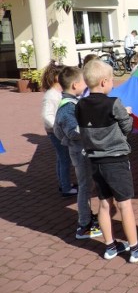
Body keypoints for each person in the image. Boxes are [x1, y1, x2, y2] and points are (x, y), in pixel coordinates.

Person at [76, 60, 138, 263]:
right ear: (103, 82)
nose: (113, 84)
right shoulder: (114, 103)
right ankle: (135, 248)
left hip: (95, 161)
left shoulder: (80, 105)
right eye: (111, 80)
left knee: (104, 204)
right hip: (116, 160)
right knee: (124, 205)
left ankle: (110, 246)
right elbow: (127, 128)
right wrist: (125, 113)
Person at [53, 66, 102, 240]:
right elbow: (71, 131)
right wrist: (92, 128)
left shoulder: (71, 102)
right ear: (75, 85)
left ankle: (86, 217)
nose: (86, 83)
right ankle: (84, 224)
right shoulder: (68, 107)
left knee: (87, 186)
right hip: (79, 152)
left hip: (80, 149)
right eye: (83, 81)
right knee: (85, 187)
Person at [40, 61, 77, 197]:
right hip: (56, 133)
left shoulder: (58, 92)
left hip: (58, 132)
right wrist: (59, 127)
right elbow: (47, 116)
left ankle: (64, 183)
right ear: (57, 77)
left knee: (62, 159)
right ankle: (66, 188)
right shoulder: (51, 95)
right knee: (64, 159)